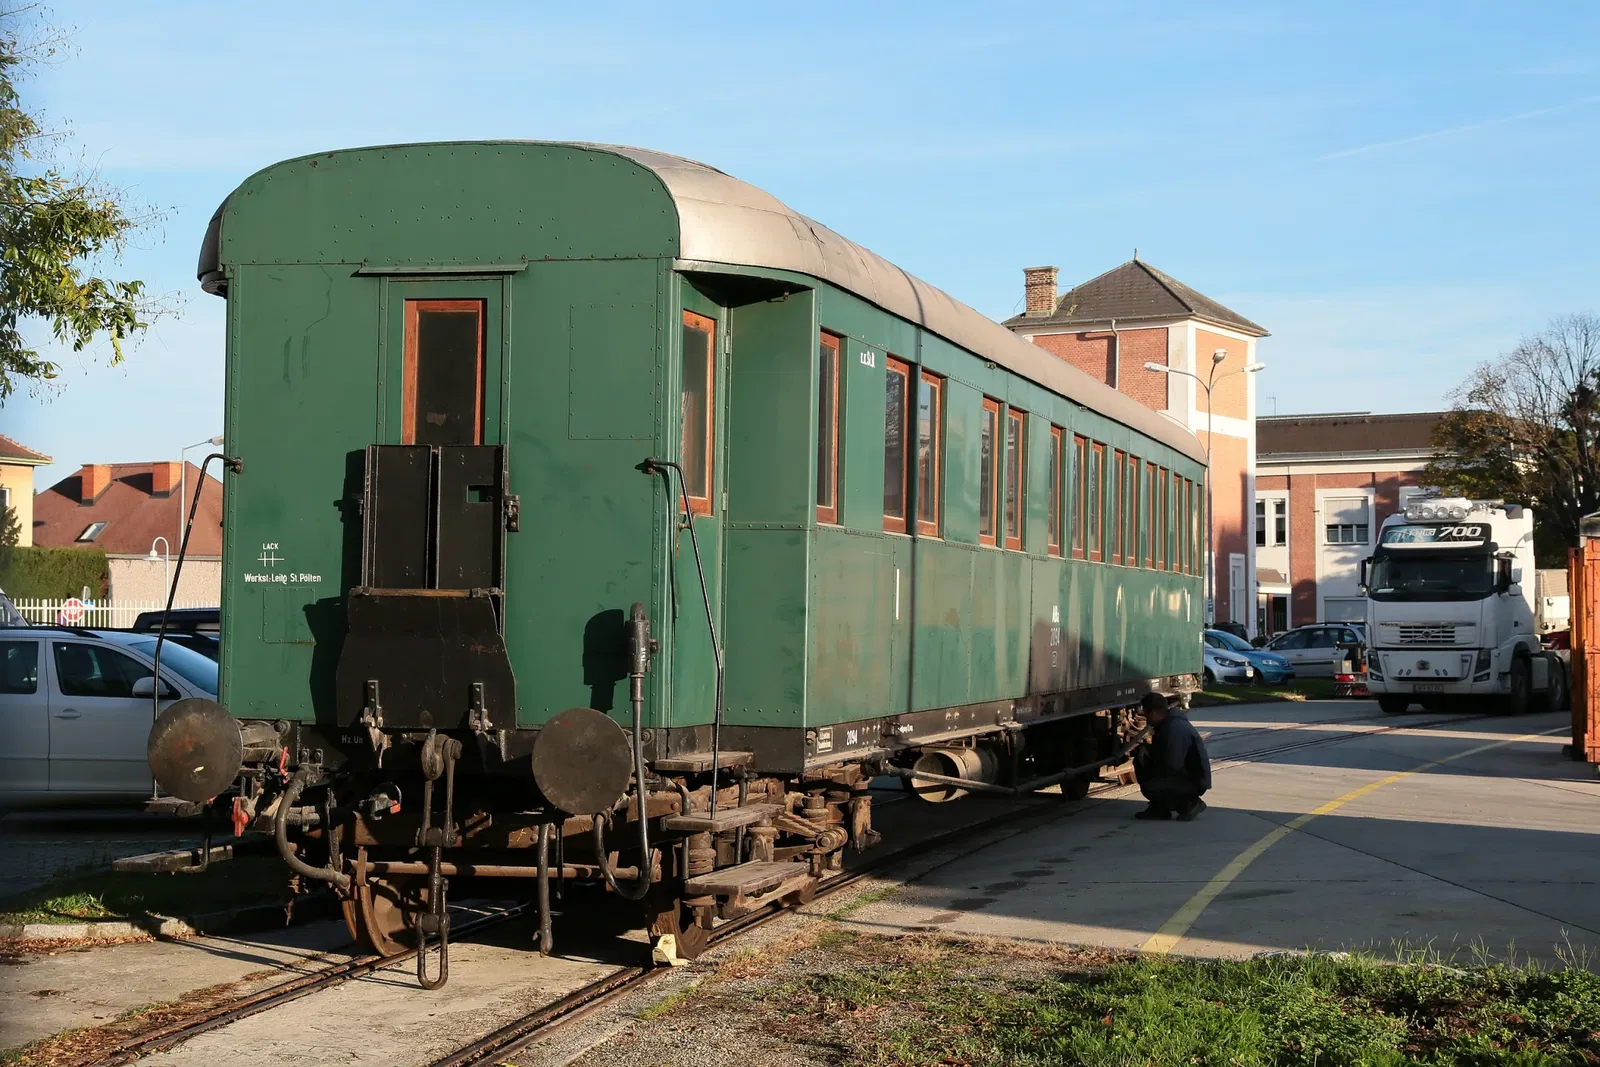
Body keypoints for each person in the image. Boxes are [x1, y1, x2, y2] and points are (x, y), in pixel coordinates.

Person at [1131, 692, 1211, 821]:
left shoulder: (1173, 729)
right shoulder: (1170, 724)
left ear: (1152, 713)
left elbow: (1171, 764)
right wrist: (1145, 748)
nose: (1147, 720)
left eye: (1146, 716)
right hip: (1191, 777)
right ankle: (1171, 804)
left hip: (1192, 781)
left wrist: (1150, 761)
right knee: (1146, 763)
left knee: (1148, 778)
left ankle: (1187, 803)